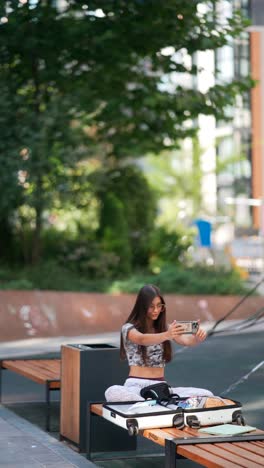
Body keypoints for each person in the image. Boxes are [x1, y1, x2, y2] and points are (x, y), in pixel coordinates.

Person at [105, 284, 213, 402]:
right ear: (142, 307)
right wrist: (167, 334)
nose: (156, 310)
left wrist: (196, 338)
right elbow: (142, 339)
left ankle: (154, 404)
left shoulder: (166, 328)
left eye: (159, 306)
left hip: (161, 387)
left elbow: (186, 341)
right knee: (112, 391)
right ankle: (151, 404)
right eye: (151, 307)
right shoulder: (129, 328)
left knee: (206, 395)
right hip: (136, 387)